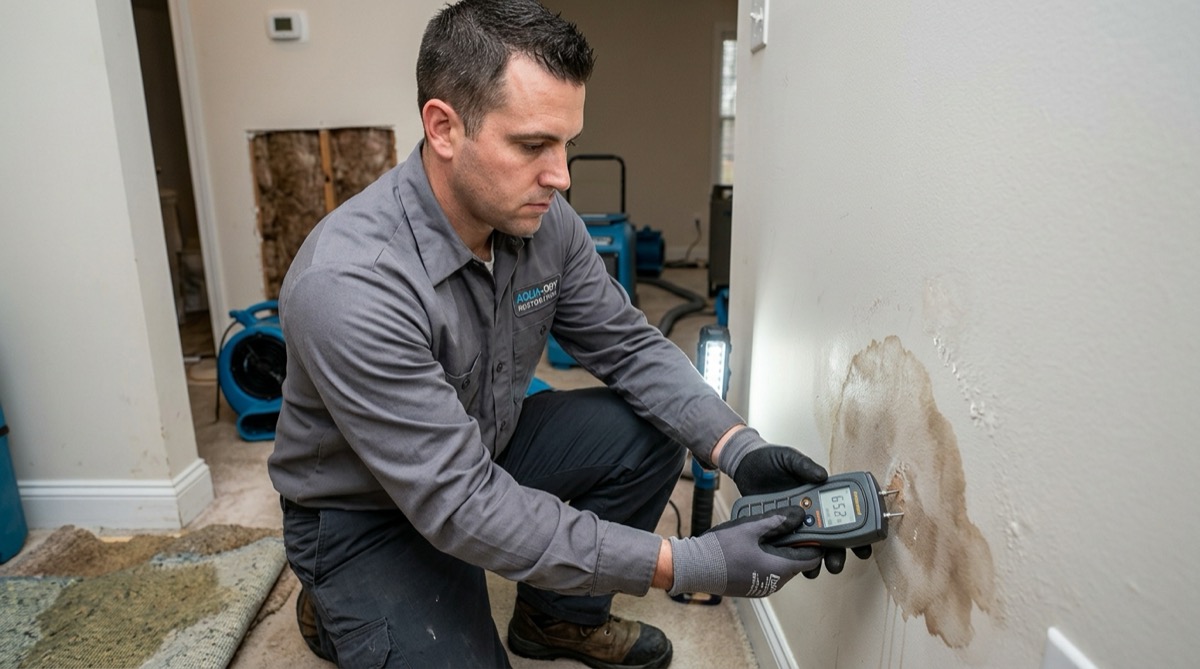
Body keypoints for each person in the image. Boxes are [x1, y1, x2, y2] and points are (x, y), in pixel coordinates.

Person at [268, 1, 868, 667]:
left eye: (566, 144)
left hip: (484, 451)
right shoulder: (350, 284)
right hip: (367, 515)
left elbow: (630, 346)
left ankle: (557, 619)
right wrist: (688, 561)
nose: (561, 176)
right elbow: (461, 502)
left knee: (650, 429)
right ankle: (341, 600)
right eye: (531, 145)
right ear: (443, 127)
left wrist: (738, 447)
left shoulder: (543, 222)